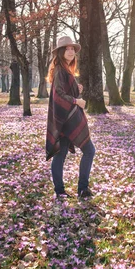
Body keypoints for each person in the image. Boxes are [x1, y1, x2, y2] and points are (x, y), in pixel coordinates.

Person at [45, 35, 95, 199]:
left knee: (61, 153)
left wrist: (76, 89)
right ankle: (82, 189)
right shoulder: (60, 70)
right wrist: (76, 100)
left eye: (72, 48)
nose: (70, 51)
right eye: (66, 48)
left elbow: (63, 91)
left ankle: (61, 191)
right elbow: (58, 95)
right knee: (89, 150)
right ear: (60, 52)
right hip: (68, 117)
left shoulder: (66, 70)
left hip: (65, 118)